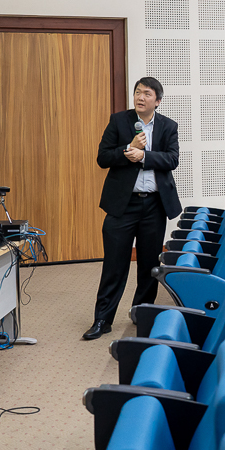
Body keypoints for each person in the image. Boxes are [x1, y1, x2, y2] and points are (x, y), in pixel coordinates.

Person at [86, 77, 181, 340]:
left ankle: (142, 314)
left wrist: (145, 157)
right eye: (137, 92)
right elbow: (103, 157)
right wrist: (128, 149)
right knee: (114, 264)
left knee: (149, 265)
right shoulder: (119, 121)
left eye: (147, 94)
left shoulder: (167, 126)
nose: (140, 97)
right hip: (122, 205)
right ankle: (102, 319)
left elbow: (172, 159)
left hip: (154, 205)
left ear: (157, 101)